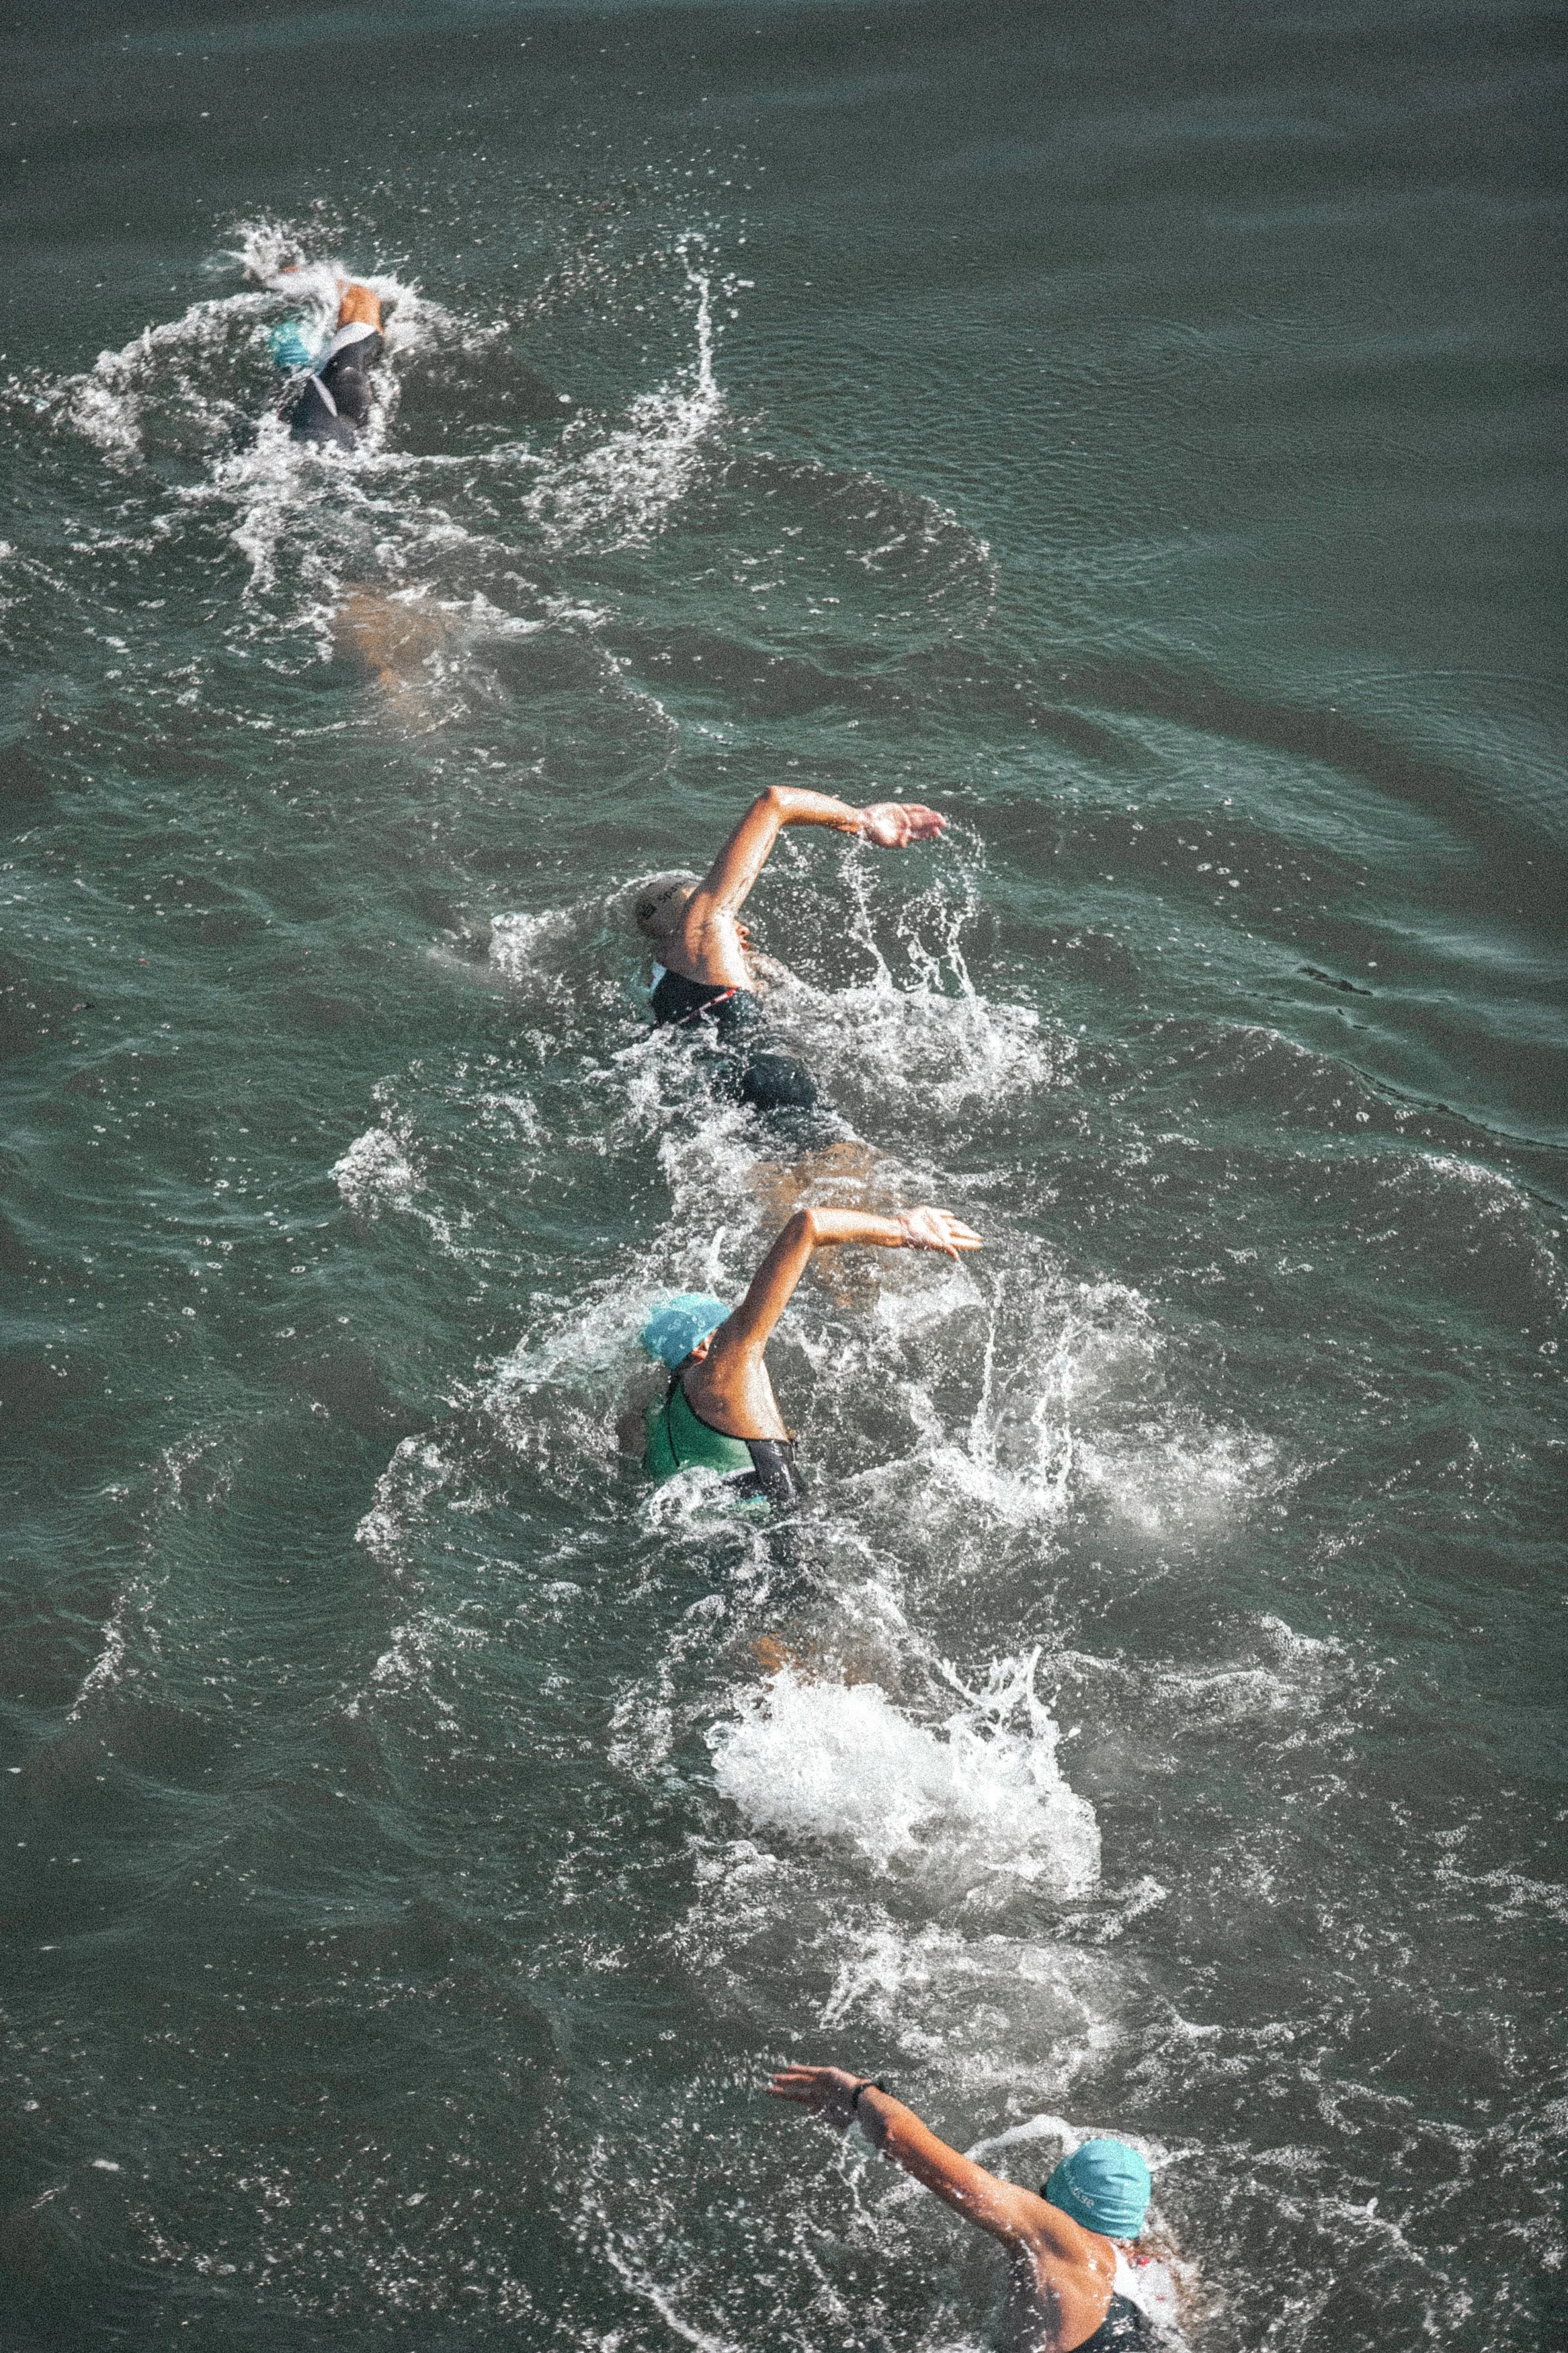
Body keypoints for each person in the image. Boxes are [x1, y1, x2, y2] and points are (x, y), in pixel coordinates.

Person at [768, 2066, 1159, 2350]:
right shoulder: (1153, 2272)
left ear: (1055, 2198)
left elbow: (898, 2137)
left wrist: (858, 2093)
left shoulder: (1062, 2240)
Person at [634, 785, 946, 1123]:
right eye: (732, 919)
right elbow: (776, 802)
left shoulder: (655, 990)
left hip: (726, 1109)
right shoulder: (701, 935)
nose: (743, 930)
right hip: (774, 1081)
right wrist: (862, 820)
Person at [639, 1201, 981, 1510]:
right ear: (702, 1347)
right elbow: (808, 1225)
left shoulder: (655, 1425)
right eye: (723, 1327)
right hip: (786, 1548)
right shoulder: (723, 1373)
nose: (735, 1330)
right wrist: (901, 1230)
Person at [270, 277, 386, 450]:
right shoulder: (344, 370)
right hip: (324, 409)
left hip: (321, 415)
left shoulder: (343, 371)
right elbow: (361, 296)